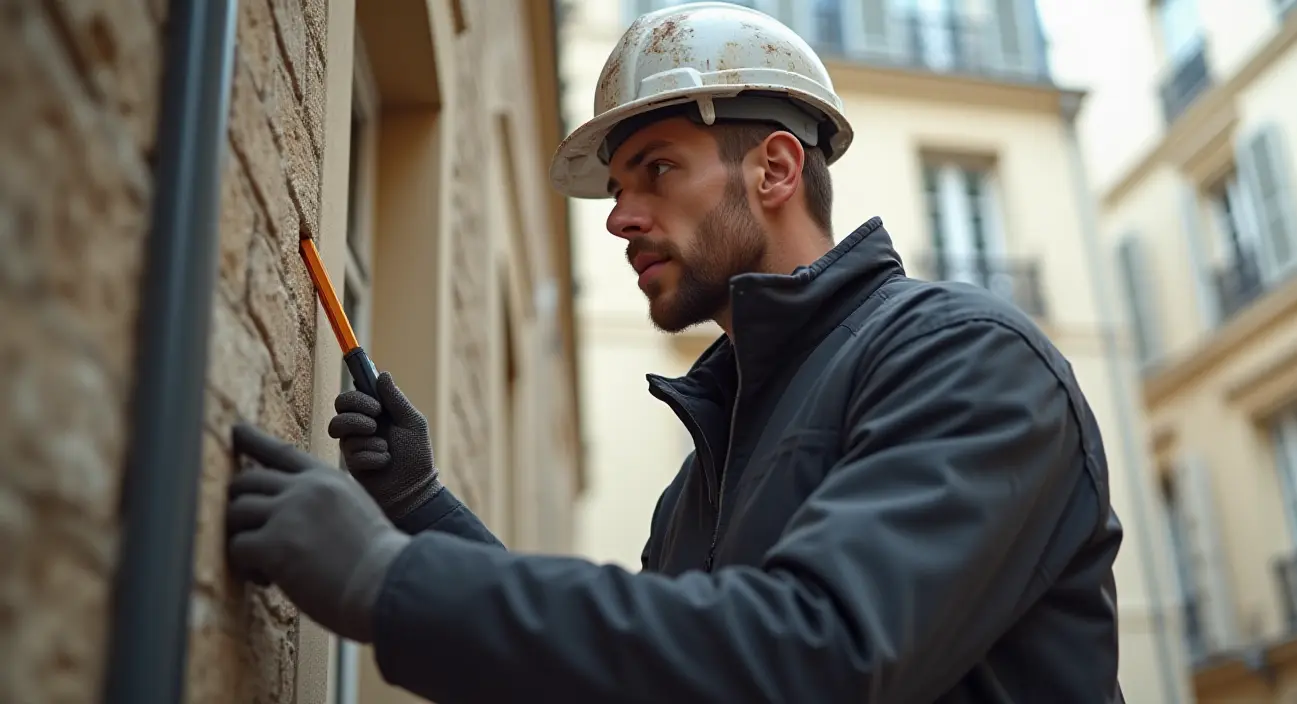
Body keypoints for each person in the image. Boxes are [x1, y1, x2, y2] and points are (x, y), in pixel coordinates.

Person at [224, 3, 1127, 702]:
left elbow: (814, 657)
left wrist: (390, 581)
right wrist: (419, 510)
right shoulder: (708, 468)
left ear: (775, 170)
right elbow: (655, 668)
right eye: (615, 188)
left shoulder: (968, 361)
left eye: (657, 169)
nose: (618, 216)